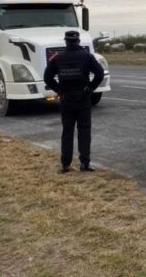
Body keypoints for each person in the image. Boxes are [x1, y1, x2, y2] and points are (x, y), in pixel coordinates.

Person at [44, 30, 104, 173]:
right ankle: (85, 163)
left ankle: (66, 164)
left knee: (67, 131)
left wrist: (59, 90)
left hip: (66, 99)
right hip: (83, 98)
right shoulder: (87, 56)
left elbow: (47, 77)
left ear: (66, 41)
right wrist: (90, 88)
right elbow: (100, 73)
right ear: (78, 41)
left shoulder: (58, 57)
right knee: (84, 130)